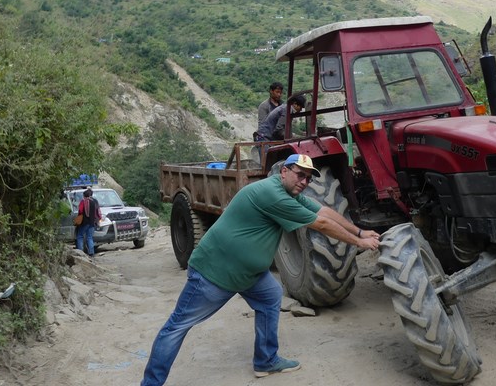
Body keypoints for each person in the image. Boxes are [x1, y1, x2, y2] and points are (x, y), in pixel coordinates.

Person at [140, 153, 380, 385]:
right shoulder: (272, 194)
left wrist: (359, 230)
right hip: (215, 272)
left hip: (249, 274)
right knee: (177, 326)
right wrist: (359, 243)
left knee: (270, 298)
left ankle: (265, 360)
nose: (304, 182)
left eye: (308, 178)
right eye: (300, 175)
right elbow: (322, 224)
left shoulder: (289, 192)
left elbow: (324, 211)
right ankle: (151, 383)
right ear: (284, 171)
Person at [76, 188, 102, 259]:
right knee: (89, 237)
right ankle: (91, 253)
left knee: (80, 236)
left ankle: (80, 252)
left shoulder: (83, 202)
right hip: (92, 222)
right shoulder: (94, 202)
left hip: (84, 222)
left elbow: (80, 211)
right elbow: (97, 212)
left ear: (84, 195)